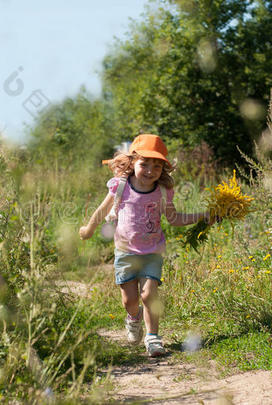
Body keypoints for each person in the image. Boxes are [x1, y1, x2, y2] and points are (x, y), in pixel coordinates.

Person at [79, 134, 209, 357]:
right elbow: (101, 210)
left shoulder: (162, 192)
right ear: (132, 163)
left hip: (152, 252)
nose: (150, 170)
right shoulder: (121, 187)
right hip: (125, 252)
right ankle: (133, 317)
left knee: (149, 294)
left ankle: (153, 338)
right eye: (144, 164)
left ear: (163, 169)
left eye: (157, 166)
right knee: (130, 300)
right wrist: (89, 229)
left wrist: (203, 216)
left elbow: (174, 219)